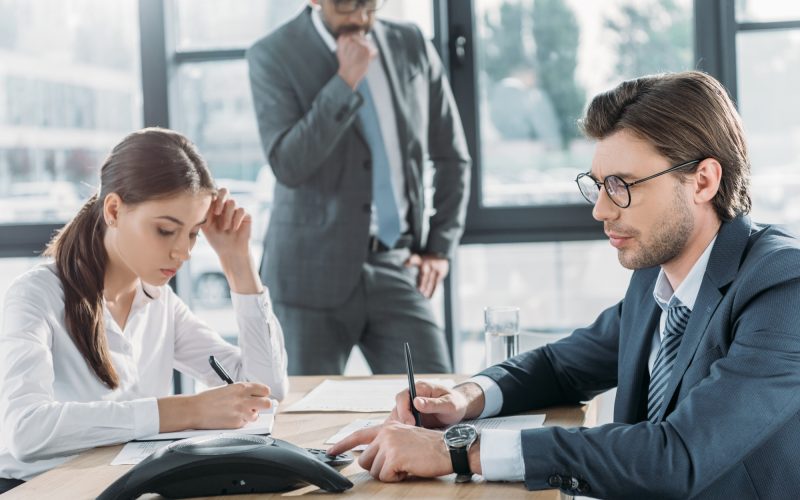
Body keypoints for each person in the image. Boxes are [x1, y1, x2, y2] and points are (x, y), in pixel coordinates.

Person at [328, 71, 800, 498]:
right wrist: (463, 401)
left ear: (703, 180)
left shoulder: (782, 286)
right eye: (597, 185)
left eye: (622, 185)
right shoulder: (654, 277)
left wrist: (460, 452)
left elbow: (678, 455)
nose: (600, 210)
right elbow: (562, 366)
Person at [0, 128, 289, 491]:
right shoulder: (35, 295)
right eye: (166, 230)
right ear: (114, 210)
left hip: (120, 485)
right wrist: (189, 411)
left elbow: (268, 391)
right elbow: (27, 431)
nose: (182, 252)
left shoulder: (159, 301)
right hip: (37, 489)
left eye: (193, 233)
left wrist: (239, 265)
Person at [246, 0, 471, 375]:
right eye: (347, 5)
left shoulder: (411, 43)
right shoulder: (272, 54)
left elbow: (452, 157)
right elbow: (288, 164)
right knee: (302, 418)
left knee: (434, 404)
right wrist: (344, 81)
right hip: (307, 276)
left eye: (370, 5)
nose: (360, 18)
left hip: (396, 262)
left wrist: (439, 248)